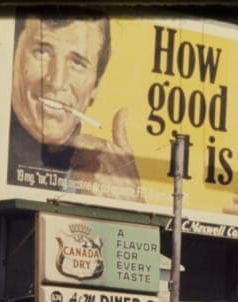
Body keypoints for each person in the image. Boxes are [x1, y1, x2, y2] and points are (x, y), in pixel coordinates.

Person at [8, 11, 143, 202]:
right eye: (42, 52)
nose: (56, 81)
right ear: (14, 55)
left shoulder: (99, 174)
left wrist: (132, 204)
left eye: (77, 63)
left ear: (95, 86)